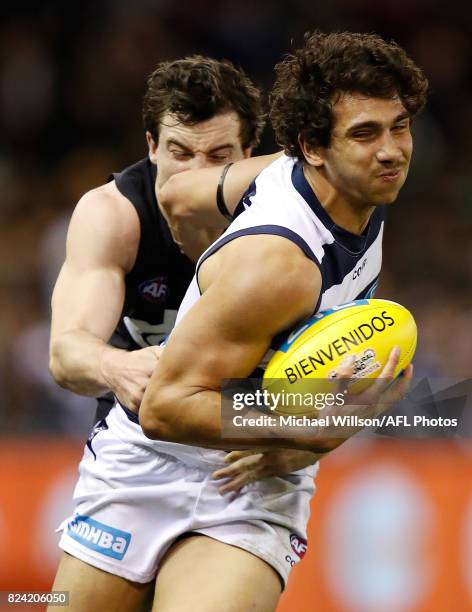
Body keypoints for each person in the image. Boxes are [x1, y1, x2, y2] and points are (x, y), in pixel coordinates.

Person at [137, 31, 428, 611]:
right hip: (147, 461)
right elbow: (163, 406)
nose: (392, 150)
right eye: (365, 134)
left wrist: (204, 271)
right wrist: (300, 430)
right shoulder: (279, 267)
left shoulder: (347, 186)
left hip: (247, 479)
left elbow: (179, 196)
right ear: (312, 148)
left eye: (398, 126)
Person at [49, 56, 312, 611]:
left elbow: (364, 373)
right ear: (151, 145)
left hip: (246, 461)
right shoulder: (114, 215)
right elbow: (66, 352)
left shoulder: (296, 224)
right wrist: (115, 366)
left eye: (218, 156)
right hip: (137, 453)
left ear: (250, 154)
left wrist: (310, 437)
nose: (194, 173)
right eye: (179, 153)